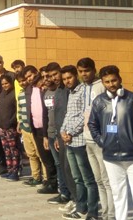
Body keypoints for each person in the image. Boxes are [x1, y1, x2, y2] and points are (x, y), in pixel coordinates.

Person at [88, 65, 133, 220]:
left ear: (120, 79)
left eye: (114, 80)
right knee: (118, 195)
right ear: (103, 83)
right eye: (107, 82)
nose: (111, 84)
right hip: (110, 156)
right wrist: (102, 141)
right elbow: (92, 124)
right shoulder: (99, 102)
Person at [78, 57, 115, 220]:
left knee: (107, 181)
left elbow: (113, 113)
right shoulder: (84, 87)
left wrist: (108, 137)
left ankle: (111, 215)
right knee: (98, 180)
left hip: (101, 141)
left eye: (86, 71)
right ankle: (105, 213)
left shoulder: (102, 86)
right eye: (80, 71)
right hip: (88, 140)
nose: (83, 74)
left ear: (94, 70)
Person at [61, 65, 99, 220]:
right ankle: (80, 208)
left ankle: (92, 211)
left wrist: (70, 132)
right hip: (69, 141)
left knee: (88, 179)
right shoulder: (71, 92)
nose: (67, 81)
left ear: (75, 76)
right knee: (77, 178)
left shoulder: (84, 90)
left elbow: (85, 114)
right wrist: (63, 131)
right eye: (64, 79)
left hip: (80, 140)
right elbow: (69, 115)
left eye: (69, 77)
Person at [43, 62, 75, 208]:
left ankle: (75, 199)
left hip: (70, 136)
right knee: (62, 166)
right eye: (50, 76)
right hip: (59, 135)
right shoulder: (59, 91)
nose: (54, 78)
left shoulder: (69, 90)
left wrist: (64, 133)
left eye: (56, 74)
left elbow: (71, 114)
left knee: (72, 169)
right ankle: (68, 195)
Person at [24, 65, 58, 194]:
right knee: (45, 158)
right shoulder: (30, 89)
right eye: (27, 77)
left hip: (47, 128)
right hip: (35, 128)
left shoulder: (44, 88)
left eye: (30, 75)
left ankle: (54, 183)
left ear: (36, 73)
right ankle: (49, 182)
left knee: (51, 159)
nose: (29, 79)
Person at [0, 73, 20, 181]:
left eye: (6, 83)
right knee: (6, 151)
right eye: (3, 84)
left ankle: (15, 172)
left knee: (13, 150)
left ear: (11, 83)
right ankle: (9, 170)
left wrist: (11, 122)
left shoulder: (14, 94)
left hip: (10, 127)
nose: (5, 85)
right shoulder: (2, 94)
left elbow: (16, 111)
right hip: (2, 127)